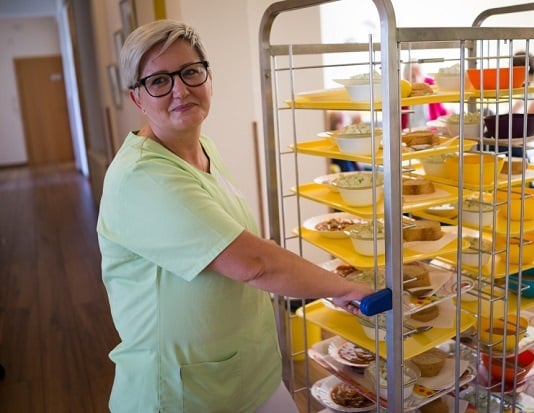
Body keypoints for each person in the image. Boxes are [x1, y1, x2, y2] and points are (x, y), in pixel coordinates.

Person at [96, 20, 374, 412]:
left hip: (248, 372)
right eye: (159, 80)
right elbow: (254, 263)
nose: (181, 89)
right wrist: (344, 289)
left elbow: (241, 244)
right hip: (185, 393)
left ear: (208, 77)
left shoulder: (201, 148)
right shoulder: (142, 177)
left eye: (191, 72)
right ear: (138, 99)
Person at [401, 62, 448, 130]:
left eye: (419, 74)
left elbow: (443, 113)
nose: (417, 79)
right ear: (406, 77)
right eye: (412, 76)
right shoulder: (402, 93)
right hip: (407, 133)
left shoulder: (430, 91)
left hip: (430, 131)